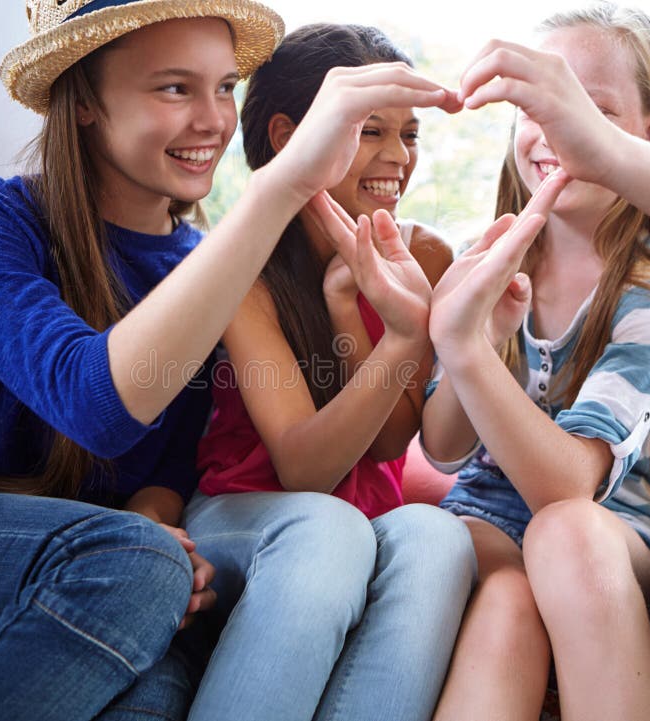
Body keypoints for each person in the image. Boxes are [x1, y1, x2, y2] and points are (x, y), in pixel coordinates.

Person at [0, 1, 461, 719]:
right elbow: (90, 401)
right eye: (174, 88)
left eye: (223, 88)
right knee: (138, 567)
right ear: (85, 98)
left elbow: (182, 458)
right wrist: (280, 189)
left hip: (132, 561)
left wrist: (154, 515)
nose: (214, 121)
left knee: (161, 685)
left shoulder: (208, 265)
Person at [186, 24, 476, 721]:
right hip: (246, 520)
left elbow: (386, 446)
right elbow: (304, 469)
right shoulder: (242, 269)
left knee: (441, 535)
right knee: (327, 524)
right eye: (370, 130)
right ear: (288, 136)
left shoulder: (423, 255)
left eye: (409, 134)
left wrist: (350, 306)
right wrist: (398, 333)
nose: (397, 157)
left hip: (356, 520)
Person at [418, 3, 650, 719]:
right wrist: (462, 332)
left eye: (593, 111)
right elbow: (442, 448)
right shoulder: (490, 253)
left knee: (560, 536)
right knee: (454, 565)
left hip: (608, 533)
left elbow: (570, 489)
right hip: (483, 514)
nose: (557, 132)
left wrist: (469, 350)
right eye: (536, 107)